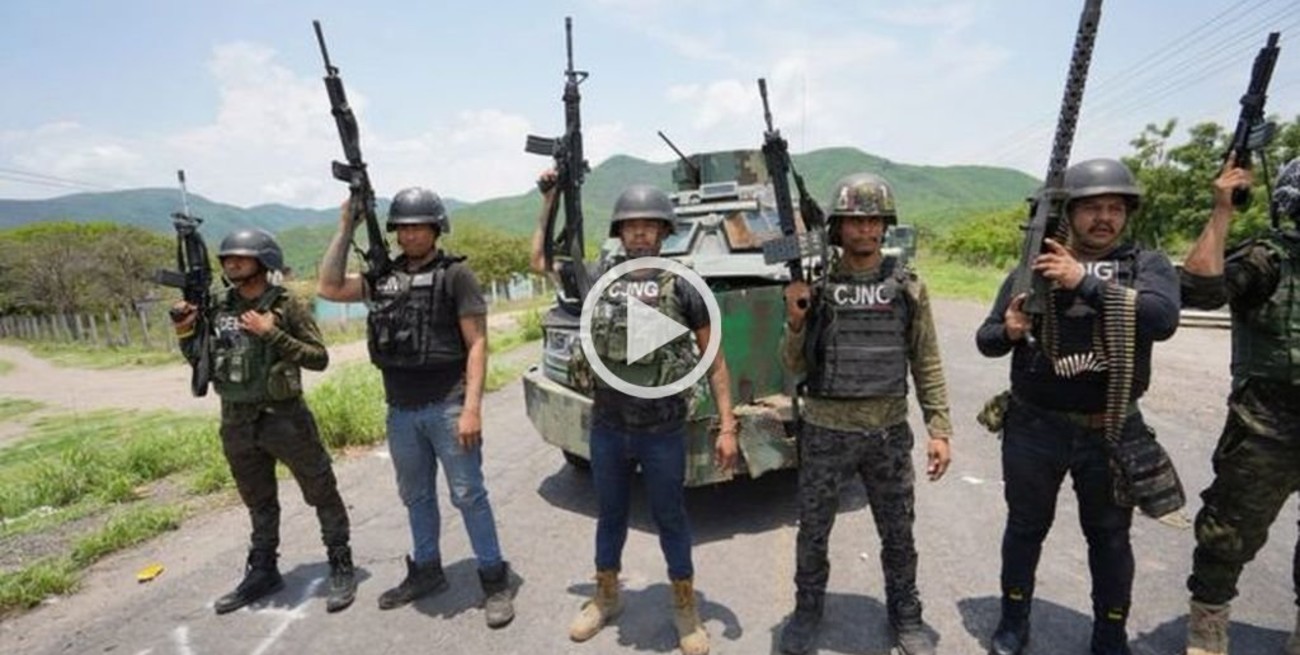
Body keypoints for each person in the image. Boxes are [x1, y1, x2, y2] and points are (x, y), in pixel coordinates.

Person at [975, 158, 1181, 655]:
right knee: (1025, 527)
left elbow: (1161, 318)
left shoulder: (1145, 266)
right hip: (1034, 426)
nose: (1105, 217)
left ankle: (1109, 633)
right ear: (1071, 214)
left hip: (1109, 426)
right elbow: (986, 340)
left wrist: (1083, 281)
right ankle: (1013, 619)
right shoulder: (1034, 268)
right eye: (1093, 208)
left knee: (1109, 537)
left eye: (1115, 207)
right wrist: (1010, 330)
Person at [530, 175, 739, 655]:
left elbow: (716, 359)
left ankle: (685, 606)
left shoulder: (684, 285)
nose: (641, 233)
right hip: (608, 426)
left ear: (665, 232)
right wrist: (549, 201)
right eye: (631, 226)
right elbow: (538, 262)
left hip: (663, 429)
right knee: (611, 516)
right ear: (619, 232)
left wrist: (727, 425)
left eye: (650, 226)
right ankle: (606, 597)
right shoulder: (598, 278)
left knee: (671, 517)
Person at [316, 187, 515, 628]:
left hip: (448, 406)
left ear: (435, 228)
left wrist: (472, 408)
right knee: (416, 496)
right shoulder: (383, 277)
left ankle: (494, 578)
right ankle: (427, 571)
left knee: (468, 495)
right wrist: (346, 224)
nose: (410, 235)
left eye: (418, 226)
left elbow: (478, 343)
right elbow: (328, 286)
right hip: (400, 411)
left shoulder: (456, 275)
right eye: (403, 228)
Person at [776, 173, 953, 655]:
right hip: (825, 433)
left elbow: (926, 360)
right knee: (813, 532)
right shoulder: (817, 288)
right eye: (854, 221)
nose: (864, 230)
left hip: (887, 434)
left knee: (899, 533)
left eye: (873, 220)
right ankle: (807, 609)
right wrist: (795, 321)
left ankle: (907, 613)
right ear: (837, 228)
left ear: (885, 225)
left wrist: (939, 427)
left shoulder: (907, 286)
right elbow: (792, 365)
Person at [170, 228, 356, 615]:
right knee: (258, 502)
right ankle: (263, 570)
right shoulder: (218, 309)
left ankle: (340, 562)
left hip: (284, 418)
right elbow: (200, 360)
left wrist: (272, 334)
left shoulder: (286, 306)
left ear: (263, 261)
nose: (230, 262)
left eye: (240, 256)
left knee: (321, 489)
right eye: (226, 258)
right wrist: (186, 328)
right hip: (236, 422)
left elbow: (318, 358)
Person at [1180, 157, 1300, 655]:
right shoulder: (1268, 259)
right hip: (1266, 428)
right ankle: (1207, 628)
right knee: (1227, 535)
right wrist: (1222, 210)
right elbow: (1200, 289)